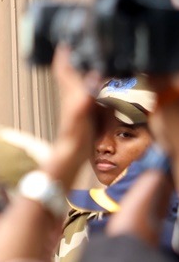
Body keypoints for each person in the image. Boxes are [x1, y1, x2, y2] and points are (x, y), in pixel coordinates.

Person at [58, 76, 161, 262]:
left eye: (124, 134)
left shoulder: (178, 222)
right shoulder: (82, 217)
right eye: (97, 131)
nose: (103, 146)